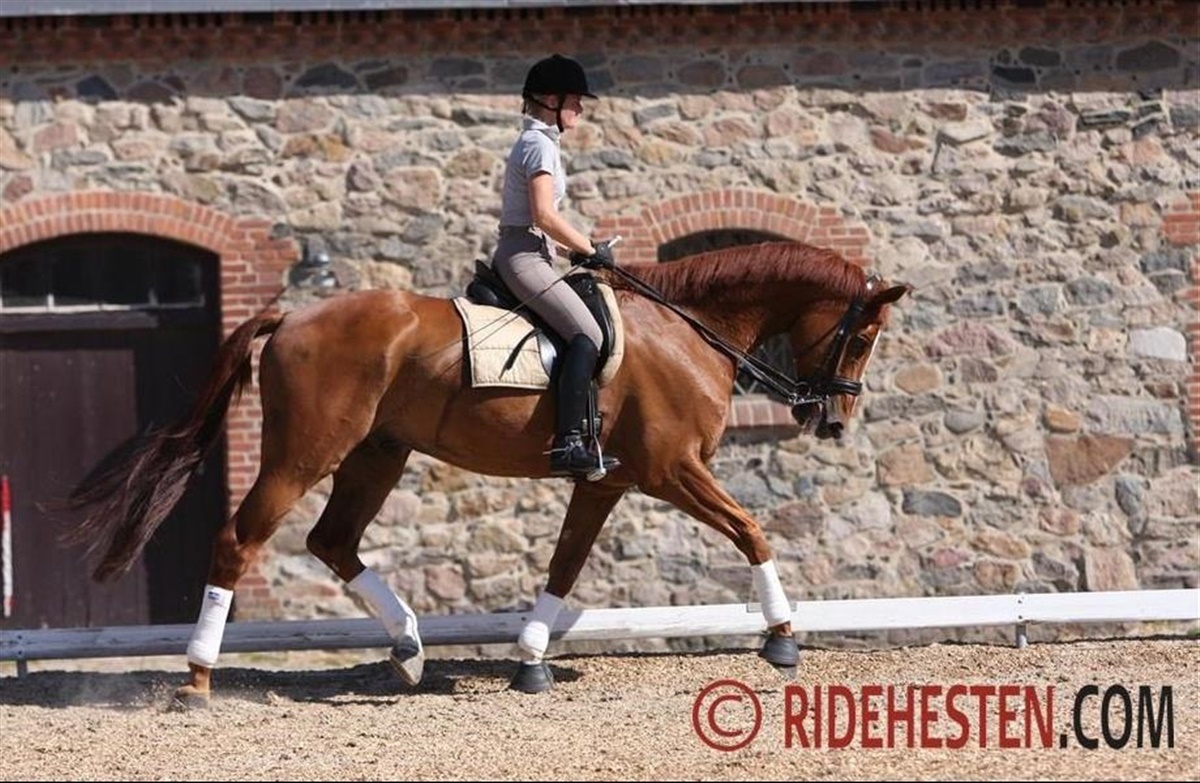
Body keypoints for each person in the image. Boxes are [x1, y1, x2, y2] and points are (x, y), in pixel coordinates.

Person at [491, 54, 620, 481]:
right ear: (551, 100)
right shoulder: (539, 144)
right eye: (574, 100)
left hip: (535, 251)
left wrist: (574, 253)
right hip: (523, 256)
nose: (580, 108)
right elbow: (544, 215)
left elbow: (539, 224)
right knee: (589, 335)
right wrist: (590, 248)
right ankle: (568, 442)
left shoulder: (541, 142)